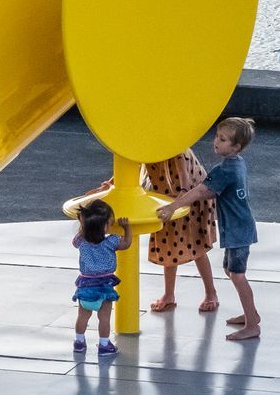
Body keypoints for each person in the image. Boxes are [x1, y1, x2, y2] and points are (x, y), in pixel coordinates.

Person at [158, 117, 259, 341]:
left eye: (223, 140)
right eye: (217, 136)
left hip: (237, 231)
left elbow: (200, 192)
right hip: (240, 228)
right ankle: (251, 314)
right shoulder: (238, 163)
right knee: (230, 271)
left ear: (235, 147)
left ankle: (252, 325)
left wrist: (173, 207)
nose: (216, 142)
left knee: (238, 275)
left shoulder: (224, 171)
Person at [145, 150, 218, 313]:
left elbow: (185, 183)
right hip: (166, 194)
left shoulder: (175, 145)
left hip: (191, 195)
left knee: (196, 244)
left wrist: (181, 197)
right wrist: (113, 183)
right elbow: (131, 164)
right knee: (168, 242)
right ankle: (169, 295)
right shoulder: (143, 144)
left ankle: (211, 292)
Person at [72, 198, 132, 356]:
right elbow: (126, 244)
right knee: (104, 318)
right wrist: (127, 228)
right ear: (105, 226)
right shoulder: (111, 241)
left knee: (82, 316)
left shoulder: (81, 241)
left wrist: (83, 224)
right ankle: (104, 345)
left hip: (85, 286)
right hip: (104, 287)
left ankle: (79, 342)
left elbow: (75, 240)